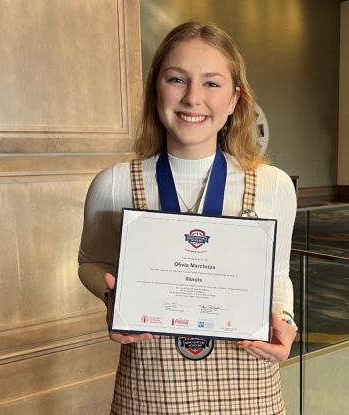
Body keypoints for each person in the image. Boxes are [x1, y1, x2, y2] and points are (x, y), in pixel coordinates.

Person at [78, 21, 297, 414]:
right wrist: (113, 296)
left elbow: (278, 274)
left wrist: (283, 318)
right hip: (152, 386)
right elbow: (89, 262)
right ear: (156, 91)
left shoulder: (272, 185)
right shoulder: (114, 183)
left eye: (212, 83)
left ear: (234, 100)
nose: (193, 97)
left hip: (248, 382)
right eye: (177, 79)